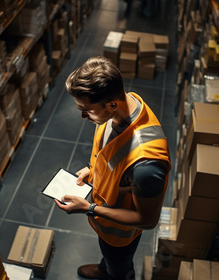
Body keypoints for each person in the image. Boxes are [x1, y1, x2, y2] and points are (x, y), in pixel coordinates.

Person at [55, 56, 171, 280]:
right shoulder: (121, 107)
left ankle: (113, 273)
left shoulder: (146, 164)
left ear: (112, 105)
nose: (82, 115)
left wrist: (89, 209)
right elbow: (111, 154)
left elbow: (147, 220)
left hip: (120, 234)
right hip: (106, 221)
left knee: (119, 266)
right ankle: (104, 268)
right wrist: (93, 169)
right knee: (108, 256)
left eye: (86, 110)